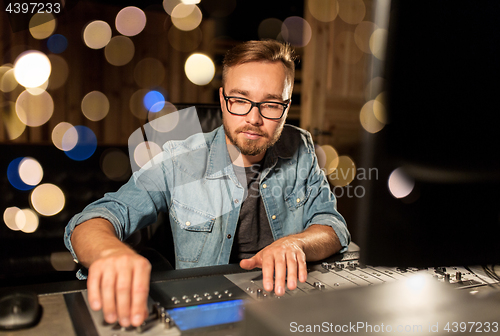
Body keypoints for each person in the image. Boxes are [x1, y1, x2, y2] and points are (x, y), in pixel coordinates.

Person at [64, 40, 350, 328]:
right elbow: (93, 220)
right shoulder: (179, 159)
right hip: (207, 315)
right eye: (240, 100)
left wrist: (296, 244)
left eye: (271, 104)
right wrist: (110, 253)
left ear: (286, 107)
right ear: (223, 98)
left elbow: (332, 225)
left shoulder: (300, 147)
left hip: (286, 307)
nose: (254, 119)